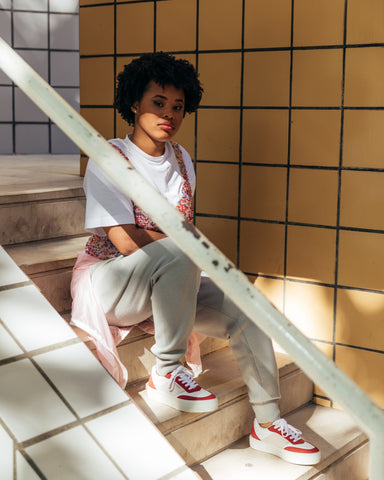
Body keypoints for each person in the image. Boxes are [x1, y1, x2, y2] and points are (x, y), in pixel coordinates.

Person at [70, 52, 320, 466]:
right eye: (158, 102)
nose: (169, 114)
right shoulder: (110, 158)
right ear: (134, 103)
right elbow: (127, 241)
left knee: (246, 305)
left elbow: (177, 244)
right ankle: (167, 370)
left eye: (178, 106)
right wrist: (185, 241)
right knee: (183, 246)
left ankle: (268, 423)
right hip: (109, 281)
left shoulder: (183, 161)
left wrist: (186, 245)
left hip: (165, 278)